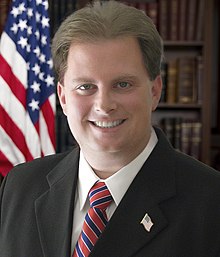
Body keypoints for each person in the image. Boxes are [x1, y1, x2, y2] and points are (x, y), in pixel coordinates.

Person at [1, 1, 220, 256]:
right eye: (85, 86)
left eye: (123, 84)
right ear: (62, 97)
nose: (104, 105)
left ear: (155, 91)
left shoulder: (212, 202)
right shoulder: (18, 188)